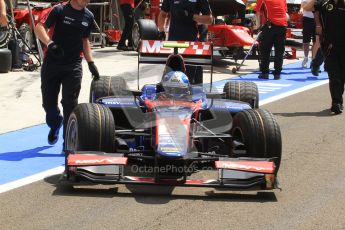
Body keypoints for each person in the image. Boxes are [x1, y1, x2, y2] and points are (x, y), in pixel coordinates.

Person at [34, 0, 100, 146]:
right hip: (52, 63)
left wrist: (91, 63)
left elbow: (85, 40)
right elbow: (39, 28)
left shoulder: (88, 16)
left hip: (73, 66)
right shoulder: (59, 10)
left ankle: (68, 142)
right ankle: (56, 123)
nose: (88, 0)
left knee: (70, 103)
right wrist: (50, 44)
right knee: (49, 105)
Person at [157, 0, 212, 84]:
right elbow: (162, 14)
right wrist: (161, 31)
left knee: (190, 80)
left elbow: (209, 19)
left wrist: (191, 16)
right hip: (173, 43)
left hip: (192, 45)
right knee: (170, 78)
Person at [305, 0, 345, 114]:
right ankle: (336, 102)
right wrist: (318, 24)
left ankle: (338, 99)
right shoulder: (324, 3)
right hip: (329, 44)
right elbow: (311, 8)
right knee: (334, 74)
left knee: (342, 75)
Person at [254, 0, 288, 80]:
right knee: (279, 51)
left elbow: (258, 12)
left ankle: (265, 72)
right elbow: (285, 12)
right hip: (282, 26)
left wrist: (258, 26)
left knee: (265, 50)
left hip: (270, 26)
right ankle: (277, 73)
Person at [301, 0, 319, 68]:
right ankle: (306, 58)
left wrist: (310, 6)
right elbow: (305, 7)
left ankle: (314, 60)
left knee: (316, 40)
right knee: (306, 41)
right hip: (307, 19)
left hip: (317, 19)